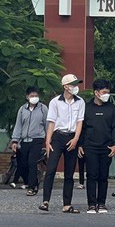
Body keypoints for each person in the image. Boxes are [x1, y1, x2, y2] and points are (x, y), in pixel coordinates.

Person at [39, 74, 86, 214]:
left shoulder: (80, 102)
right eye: (73, 84)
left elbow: (80, 122)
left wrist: (76, 139)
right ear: (65, 86)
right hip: (58, 137)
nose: (76, 87)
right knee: (51, 169)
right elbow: (51, 122)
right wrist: (48, 141)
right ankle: (45, 201)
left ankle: (67, 204)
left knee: (69, 173)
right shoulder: (55, 102)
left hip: (72, 137)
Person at [78, 79, 115, 214]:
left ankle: (101, 203)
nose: (106, 94)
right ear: (96, 93)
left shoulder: (112, 109)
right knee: (91, 175)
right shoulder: (87, 108)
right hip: (90, 147)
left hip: (106, 147)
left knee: (103, 176)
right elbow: (82, 128)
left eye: (108, 92)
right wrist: (80, 144)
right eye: (104, 92)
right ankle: (91, 204)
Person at [10, 86, 48, 196]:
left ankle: (31, 187)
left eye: (36, 96)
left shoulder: (43, 108)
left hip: (37, 139)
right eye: (32, 96)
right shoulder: (22, 109)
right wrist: (15, 141)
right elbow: (18, 125)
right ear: (27, 97)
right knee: (24, 164)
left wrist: (48, 140)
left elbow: (47, 124)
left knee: (32, 163)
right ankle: (33, 183)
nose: (34, 98)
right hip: (24, 140)